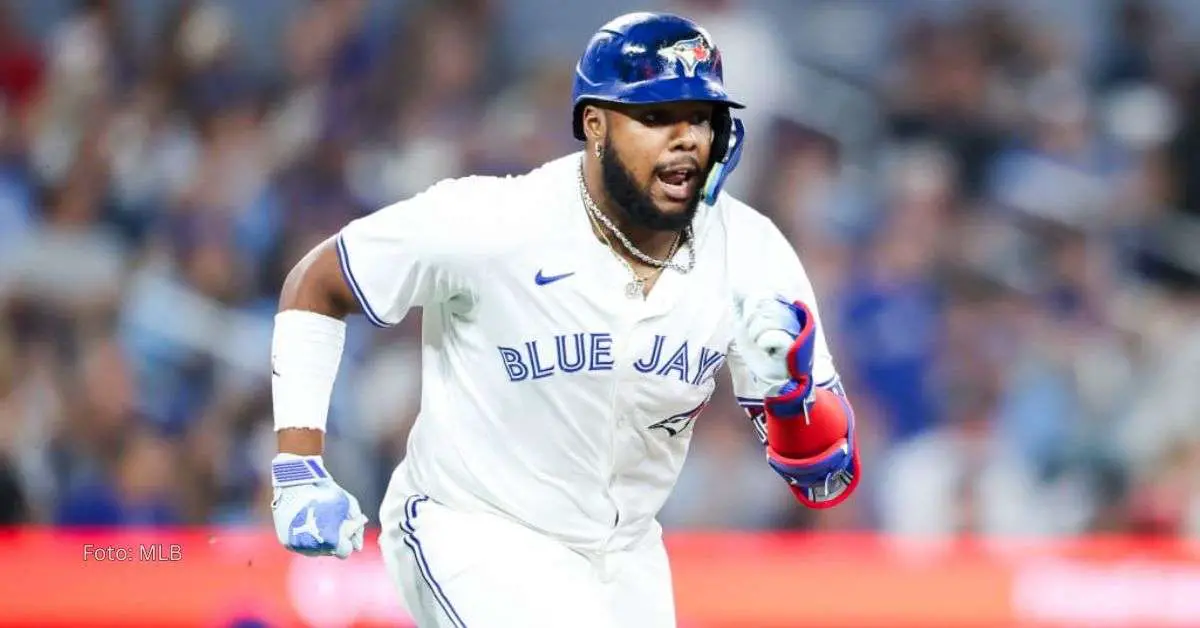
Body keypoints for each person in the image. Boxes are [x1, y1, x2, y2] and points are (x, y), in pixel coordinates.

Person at [267, 12, 860, 628]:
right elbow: (317, 281)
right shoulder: (497, 222)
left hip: (625, 554)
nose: (686, 137)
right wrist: (299, 465)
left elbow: (825, 477)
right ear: (595, 125)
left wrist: (792, 398)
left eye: (700, 116)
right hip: (474, 528)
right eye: (657, 116)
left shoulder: (752, 253)